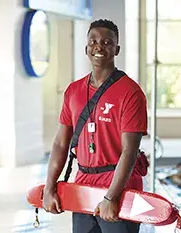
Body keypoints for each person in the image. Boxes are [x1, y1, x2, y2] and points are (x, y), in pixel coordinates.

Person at [42, 19, 148, 233]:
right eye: (94, 41)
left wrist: (111, 196)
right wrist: (49, 186)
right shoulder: (73, 91)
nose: (99, 46)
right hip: (83, 187)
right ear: (86, 48)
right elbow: (61, 143)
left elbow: (130, 150)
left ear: (116, 49)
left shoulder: (130, 93)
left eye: (107, 42)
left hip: (118, 187)